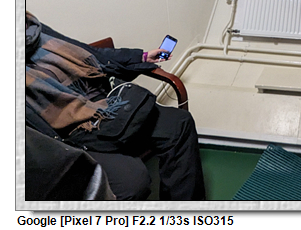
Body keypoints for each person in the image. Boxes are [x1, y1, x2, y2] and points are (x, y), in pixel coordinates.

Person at [25, 12, 206, 200]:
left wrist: (142, 56)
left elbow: (92, 53)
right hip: (70, 132)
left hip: (102, 105)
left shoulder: (34, 28)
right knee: (132, 181)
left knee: (179, 123)